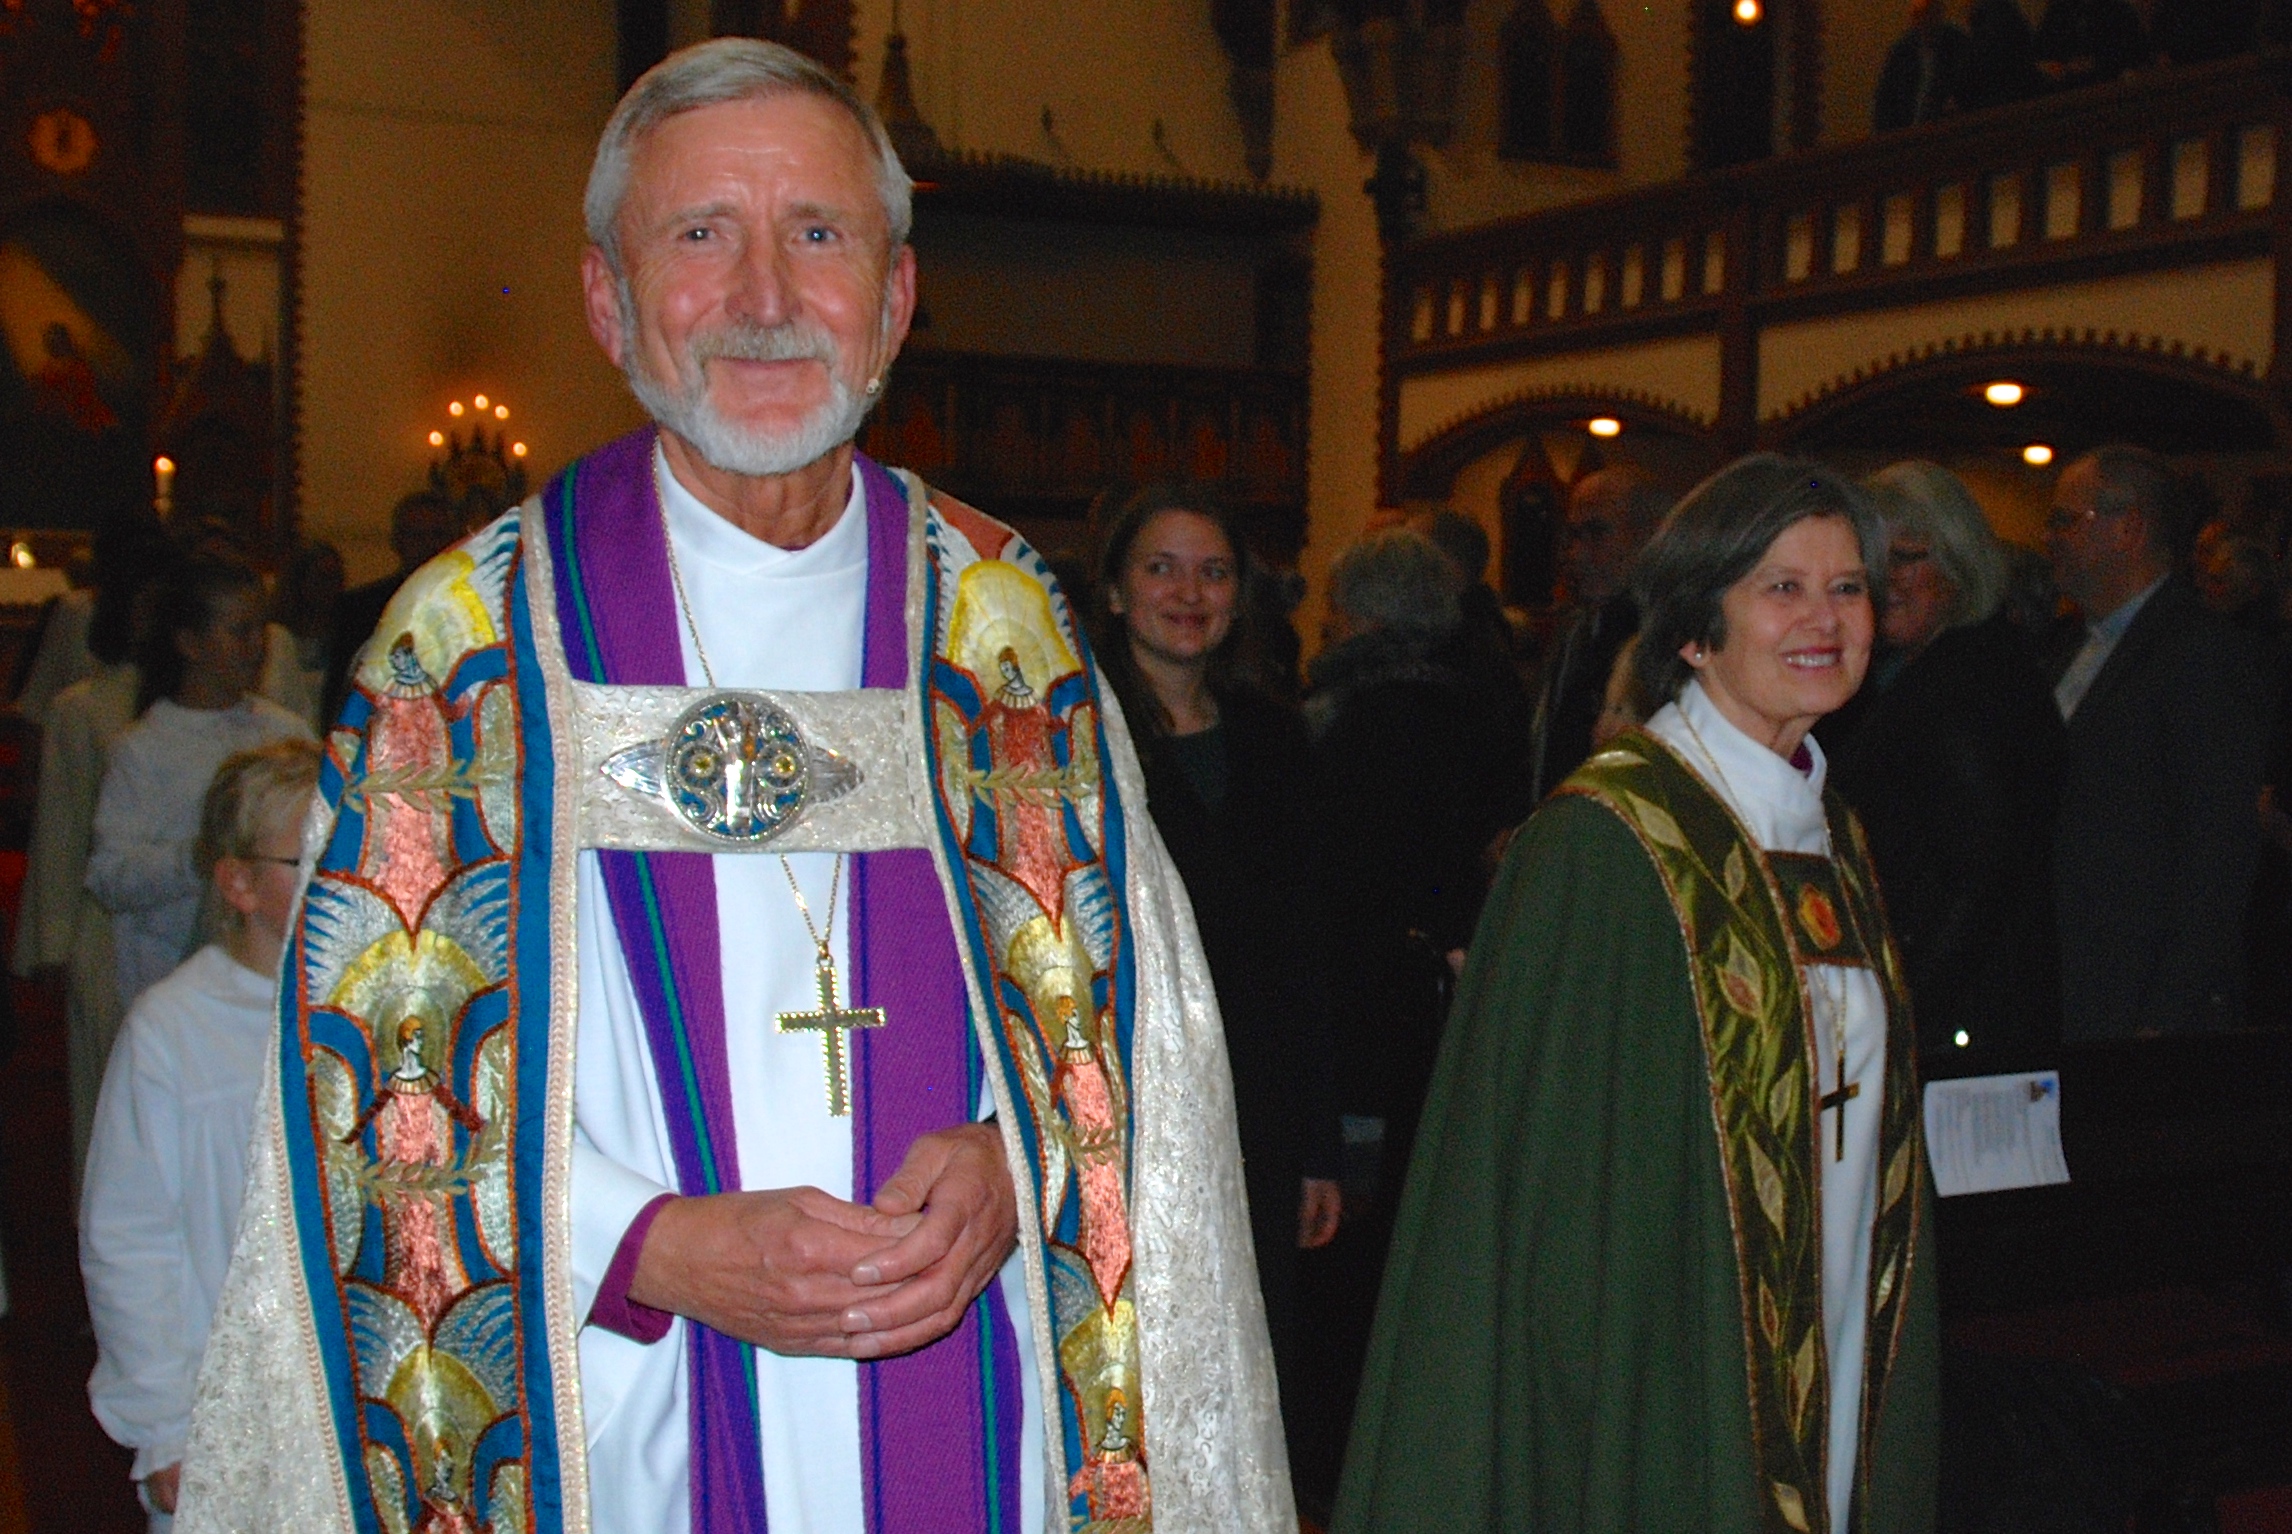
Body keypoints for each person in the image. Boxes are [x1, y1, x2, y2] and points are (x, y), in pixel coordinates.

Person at [179, 38, 1288, 1534]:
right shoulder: (468, 655)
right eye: (702, 234)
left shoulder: (1003, 629)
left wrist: (1019, 1153)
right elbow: (370, 1093)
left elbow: (1141, 1023)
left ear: (894, 298)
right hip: (626, 1422)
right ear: (607, 296)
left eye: (817, 235)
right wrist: (646, 1241)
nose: (765, 298)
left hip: (977, 1400)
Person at [1336, 456, 1938, 1534]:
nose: (1825, 618)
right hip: (1660, 1335)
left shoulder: (1833, 831)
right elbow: (1543, 1196)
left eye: (1847, 587)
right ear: (1696, 630)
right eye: (1782, 587)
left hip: (1841, 1291)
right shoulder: (1609, 841)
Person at [1094, 481, 1342, 1470]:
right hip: (1131, 1102)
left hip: (1262, 1108)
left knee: (1254, 1362)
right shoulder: (1079, 738)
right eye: (1161, 567)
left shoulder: (1276, 736)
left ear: (1241, 596)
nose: (1189, 592)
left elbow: (1305, 948)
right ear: (1113, 590)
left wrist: (1321, 1140)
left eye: (1214, 571)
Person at [80, 738, 321, 1532]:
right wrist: (163, 1428)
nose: (335, 873)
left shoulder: (370, 1010)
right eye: (306, 856)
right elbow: (130, 1238)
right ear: (239, 882)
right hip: (230, 1404)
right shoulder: (173, 1030)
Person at [1825, 462, 2063, 1072]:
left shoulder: (1967, 683)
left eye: (1907, 557)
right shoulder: (1922, 673)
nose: (1887, 582)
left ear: (1959, 563)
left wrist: (1906, 1012)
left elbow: (1981, 875)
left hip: (1964, 1022)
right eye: (1872, 564)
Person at [2047, 446, 2276, 1038]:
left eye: (2067, 519)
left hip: (2136, 998)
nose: (2052, 538)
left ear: (2128, 528)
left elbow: (2217, 853)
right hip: (2068, 983)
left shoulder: (2199, 654)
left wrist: (2166, 1014)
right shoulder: (2069, 646)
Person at [84, 552, 312, 1018]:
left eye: (260, 630)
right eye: (239, 631)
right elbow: (110, 875)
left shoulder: (284, 732)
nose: (256, 646)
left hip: (276, 977)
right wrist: (197, 857)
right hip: (173, 978)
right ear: (190, 642)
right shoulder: (146, 748)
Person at [1524, 466, 1670, 804]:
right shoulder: (1578, 627)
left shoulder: (1665, 636)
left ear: (1650, 535)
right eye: (1573, 536)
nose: (1576, 553)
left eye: (1596, 533)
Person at [322, 489, 462, 724]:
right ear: (397, 541)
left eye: (438, 535)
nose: (429, 545)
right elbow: (340, 692)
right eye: (417, 536)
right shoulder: (359, 608)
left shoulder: (470, 606)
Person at [1875, 0, 1970, 131]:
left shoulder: (1957, 45)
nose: (1927, 20)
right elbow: (1885, 104)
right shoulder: (1901, 53)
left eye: (1932, 13)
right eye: (1921, 15)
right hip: (1904, 137)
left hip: (1943, 133)